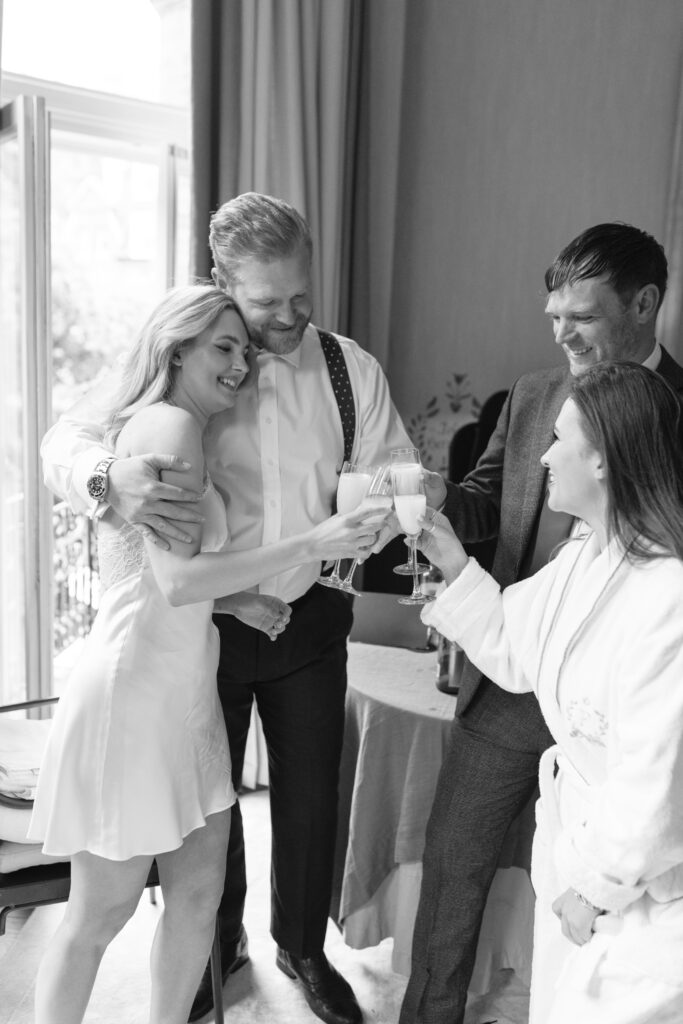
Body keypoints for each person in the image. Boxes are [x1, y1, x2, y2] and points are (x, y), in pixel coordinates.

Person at [40, 193, 413, 1024]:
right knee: (211, 813)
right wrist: (110, 480)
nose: (285, 320)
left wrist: (384, 509)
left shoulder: (351, 370)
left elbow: (392, 468)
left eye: (299, 297)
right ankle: (218, 948)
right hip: (202, 623)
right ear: (221, 287)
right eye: (263, 305)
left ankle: (303, 950)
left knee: (309, 793)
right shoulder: (188, 366)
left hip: (306, 615)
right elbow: (63, 442)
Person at [399, 222, 683, 1024]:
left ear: (643, 304)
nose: (560, 335)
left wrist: (595, 885)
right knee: (451, 872)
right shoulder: (534, 402)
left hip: (629, 704)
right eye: (551, 317)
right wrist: (437, 513)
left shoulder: (665, 586)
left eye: (581, 318)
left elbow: (652, 777)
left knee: (611, 955)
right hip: (524, 669)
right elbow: (488, 503)